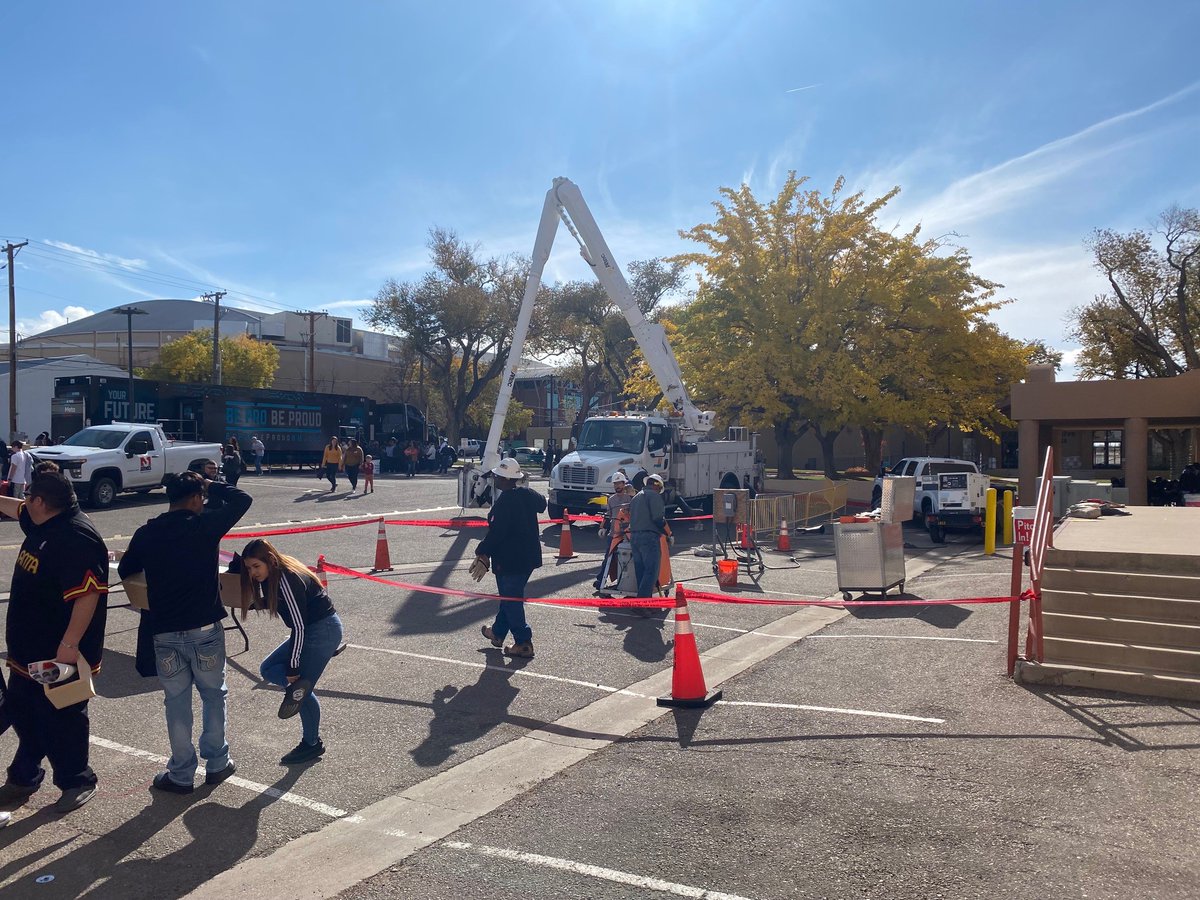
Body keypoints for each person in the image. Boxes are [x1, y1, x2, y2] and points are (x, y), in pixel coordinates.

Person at [117, 471, 252, 794]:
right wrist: (211, 483)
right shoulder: (204, 526)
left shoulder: (147, 532)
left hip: (164, 629)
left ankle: (180, 773)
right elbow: (242, 499)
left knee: (176, 701)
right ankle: (218, 763)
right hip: (204, 626)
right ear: (195, 498)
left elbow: (126, 570)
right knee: (213, 694)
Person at [0, 463, 108, 814]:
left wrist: (69, 645)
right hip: (26, 651)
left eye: (28, 496)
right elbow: (12, 507)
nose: (24, 501)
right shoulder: (44, 519)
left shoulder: (75, 537)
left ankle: (77, 780)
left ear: (42, 501)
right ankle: (24, 776)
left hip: (58, 655)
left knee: (62, 719)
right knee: (25, 714)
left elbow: (87, 595)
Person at [236, 539, 345, 765]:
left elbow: (299, 627)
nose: (252, 572)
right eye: (249, 568)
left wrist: (293, 667)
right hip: (316, 629)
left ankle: (312, 744)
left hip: (320, 631)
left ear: (270, 561)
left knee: (299, 688)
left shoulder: (286, 579)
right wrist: (260, 603)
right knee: (268, 669)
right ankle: (300, 691)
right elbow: (288, 604)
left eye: (256, 566)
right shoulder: (274, 574)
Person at [473, 458, 547, 659]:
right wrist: (524, 488)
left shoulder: (505, 502)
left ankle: (523, 642)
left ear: (505, 479)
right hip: (528, 558)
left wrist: (482, 551)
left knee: (512, 600)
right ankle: (497, 633)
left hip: (509, 559)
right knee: (509, 597)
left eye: (497, 476)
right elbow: (543, 503)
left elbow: (497, 533)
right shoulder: (525, 494)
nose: (494, 479)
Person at [628, 473, 667, 599]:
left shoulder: (636, 497)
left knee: (640, 570)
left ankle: (644, 603)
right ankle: (642, 603)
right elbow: (657, 518)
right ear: (657, 486)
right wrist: (666, 532)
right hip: (649, 537)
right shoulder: (654, 496)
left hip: (634, 537)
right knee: (651, 571)